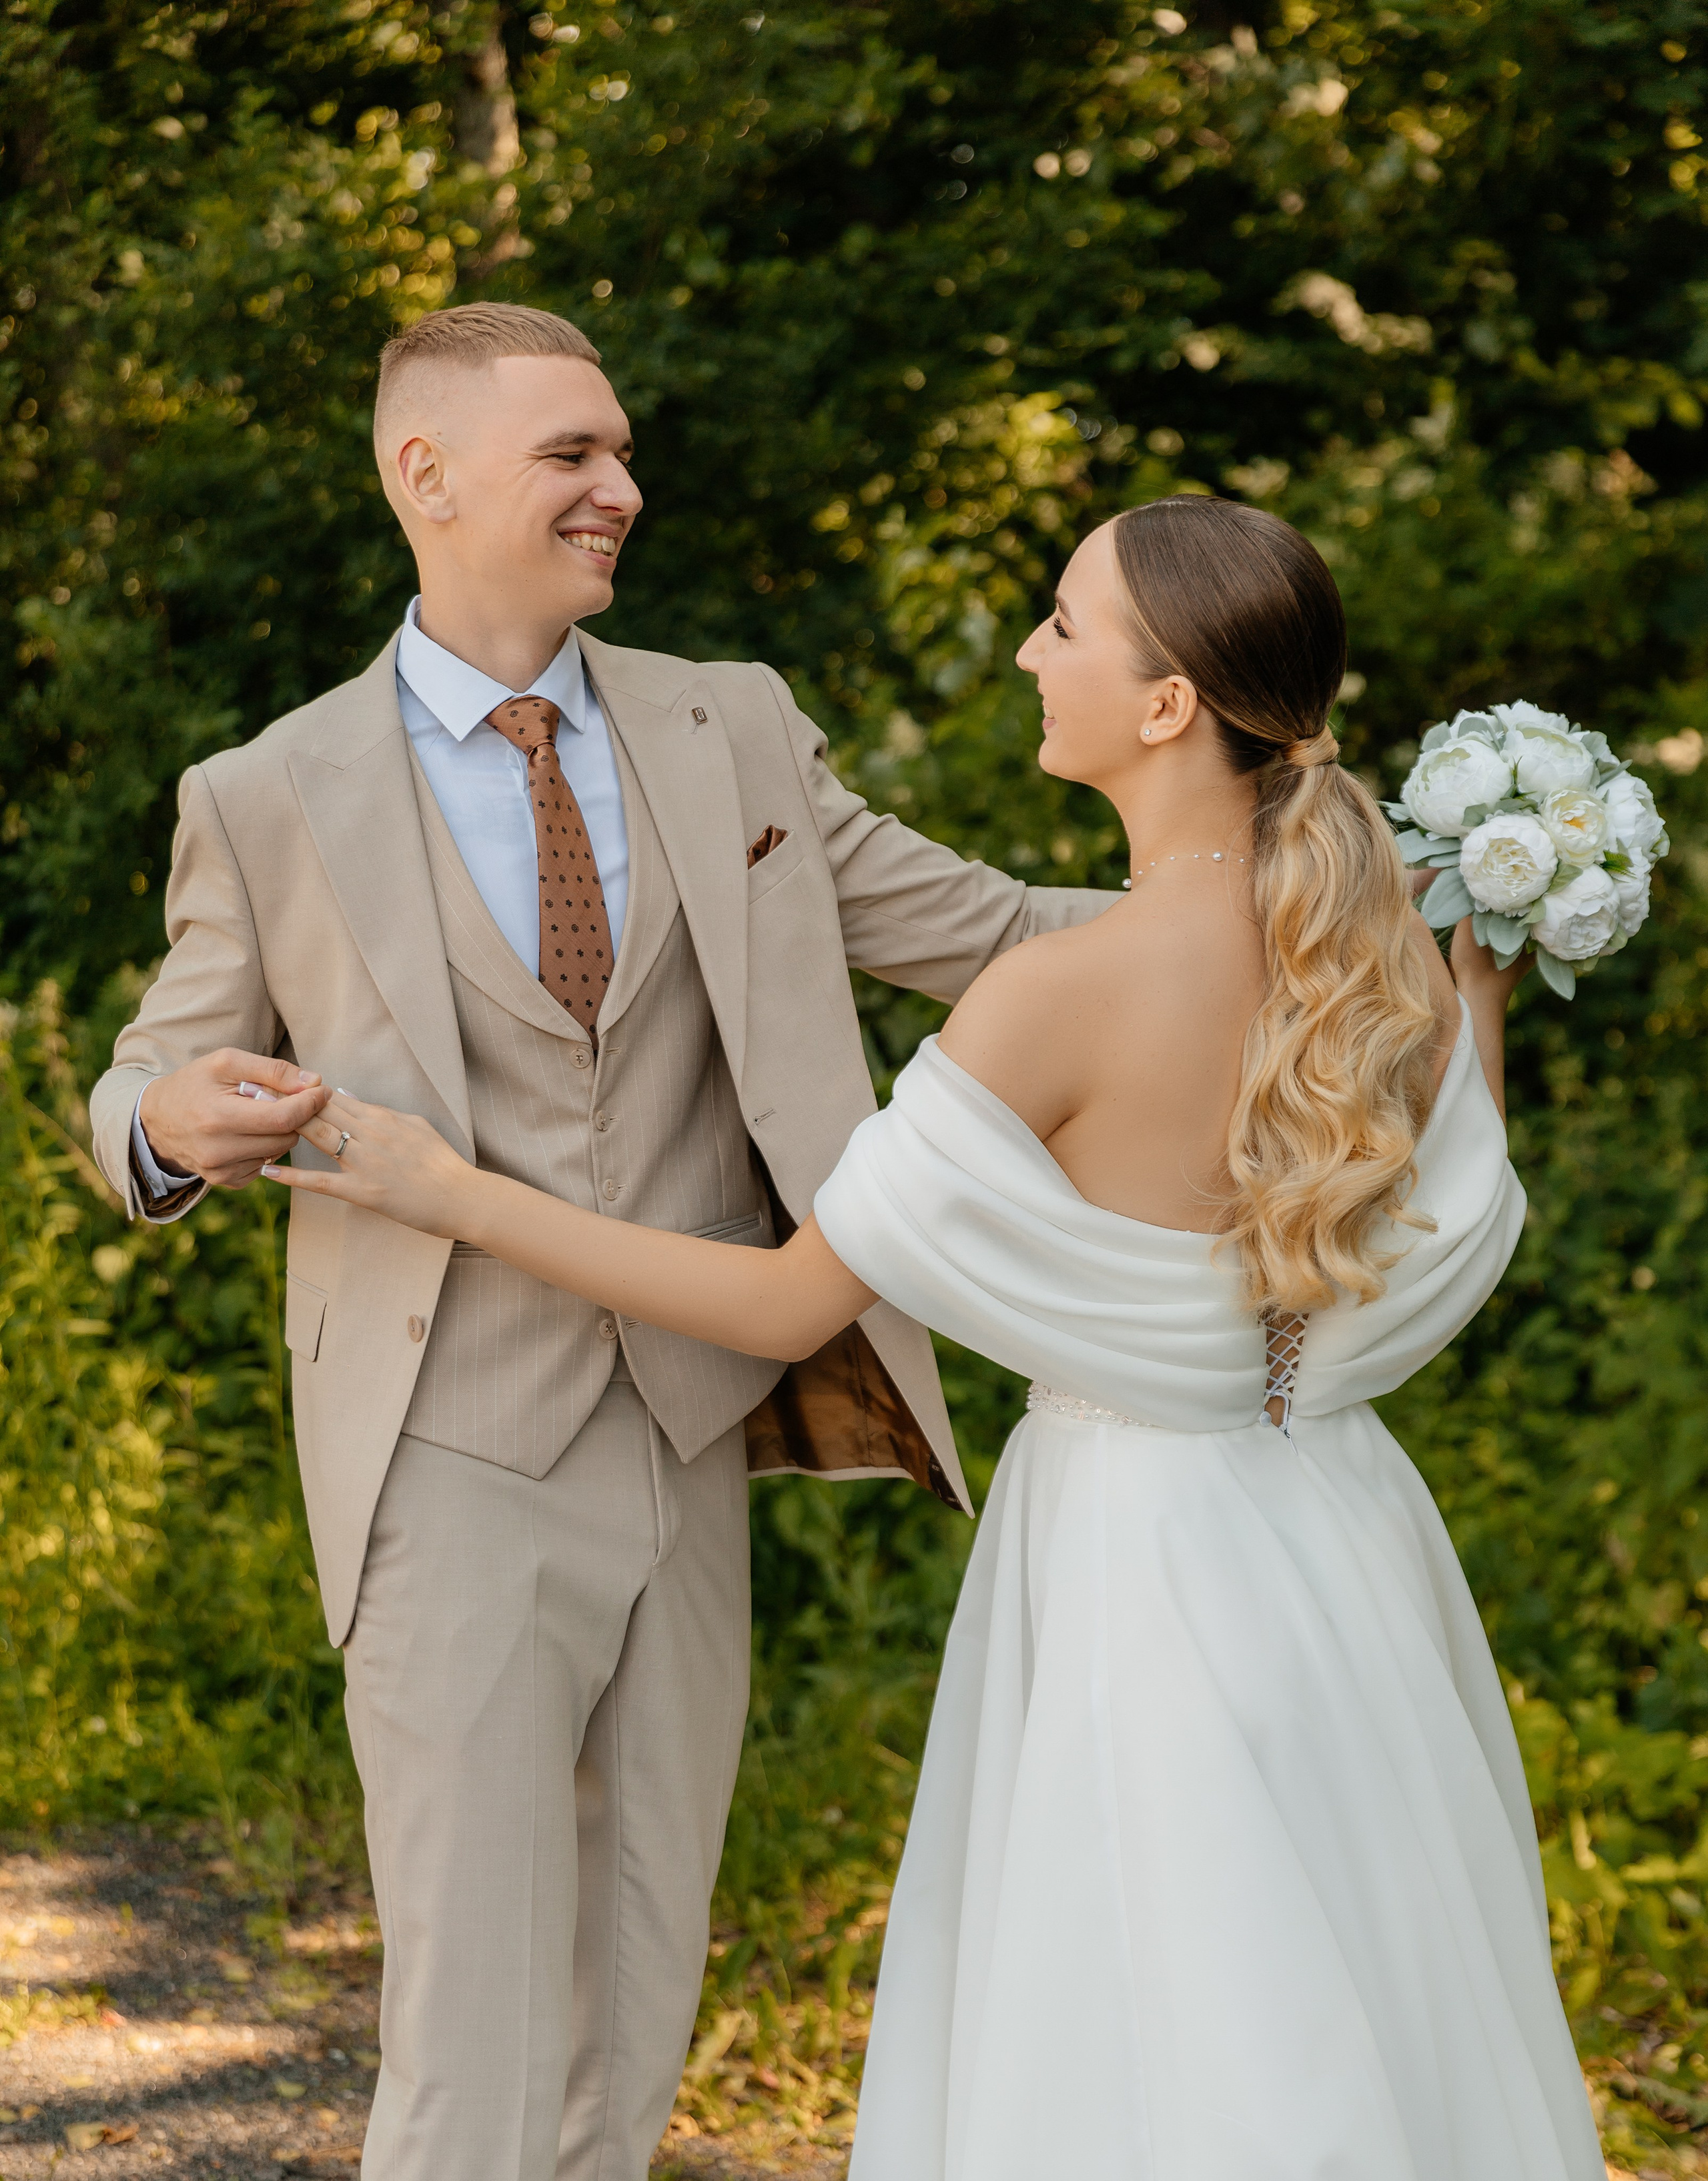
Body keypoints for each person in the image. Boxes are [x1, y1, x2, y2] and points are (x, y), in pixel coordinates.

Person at [265, 493, 1605, 2180]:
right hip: (1342, 1550)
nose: (1032, 656)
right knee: (1357, 2002)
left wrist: (450, 1192)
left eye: (1061, 623)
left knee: (1132, 2025)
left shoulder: (1060, 997)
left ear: (1168, 702)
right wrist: (1477, 988)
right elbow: (1460, 1217)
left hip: (1131, 1567)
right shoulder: (1385, 970)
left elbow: (779, 1302)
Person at [86, 301, 1116, 2181]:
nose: (620, 487)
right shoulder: (265, 795)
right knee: (470, 2021)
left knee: (639, 1992)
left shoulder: (733, 723)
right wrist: (159, 1124)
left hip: (698, 1423)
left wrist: (1275, 884)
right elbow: (155, 1065)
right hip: (448, 1449)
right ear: (429, 474)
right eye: (573, 453)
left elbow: (992, 928)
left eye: (621, 451)